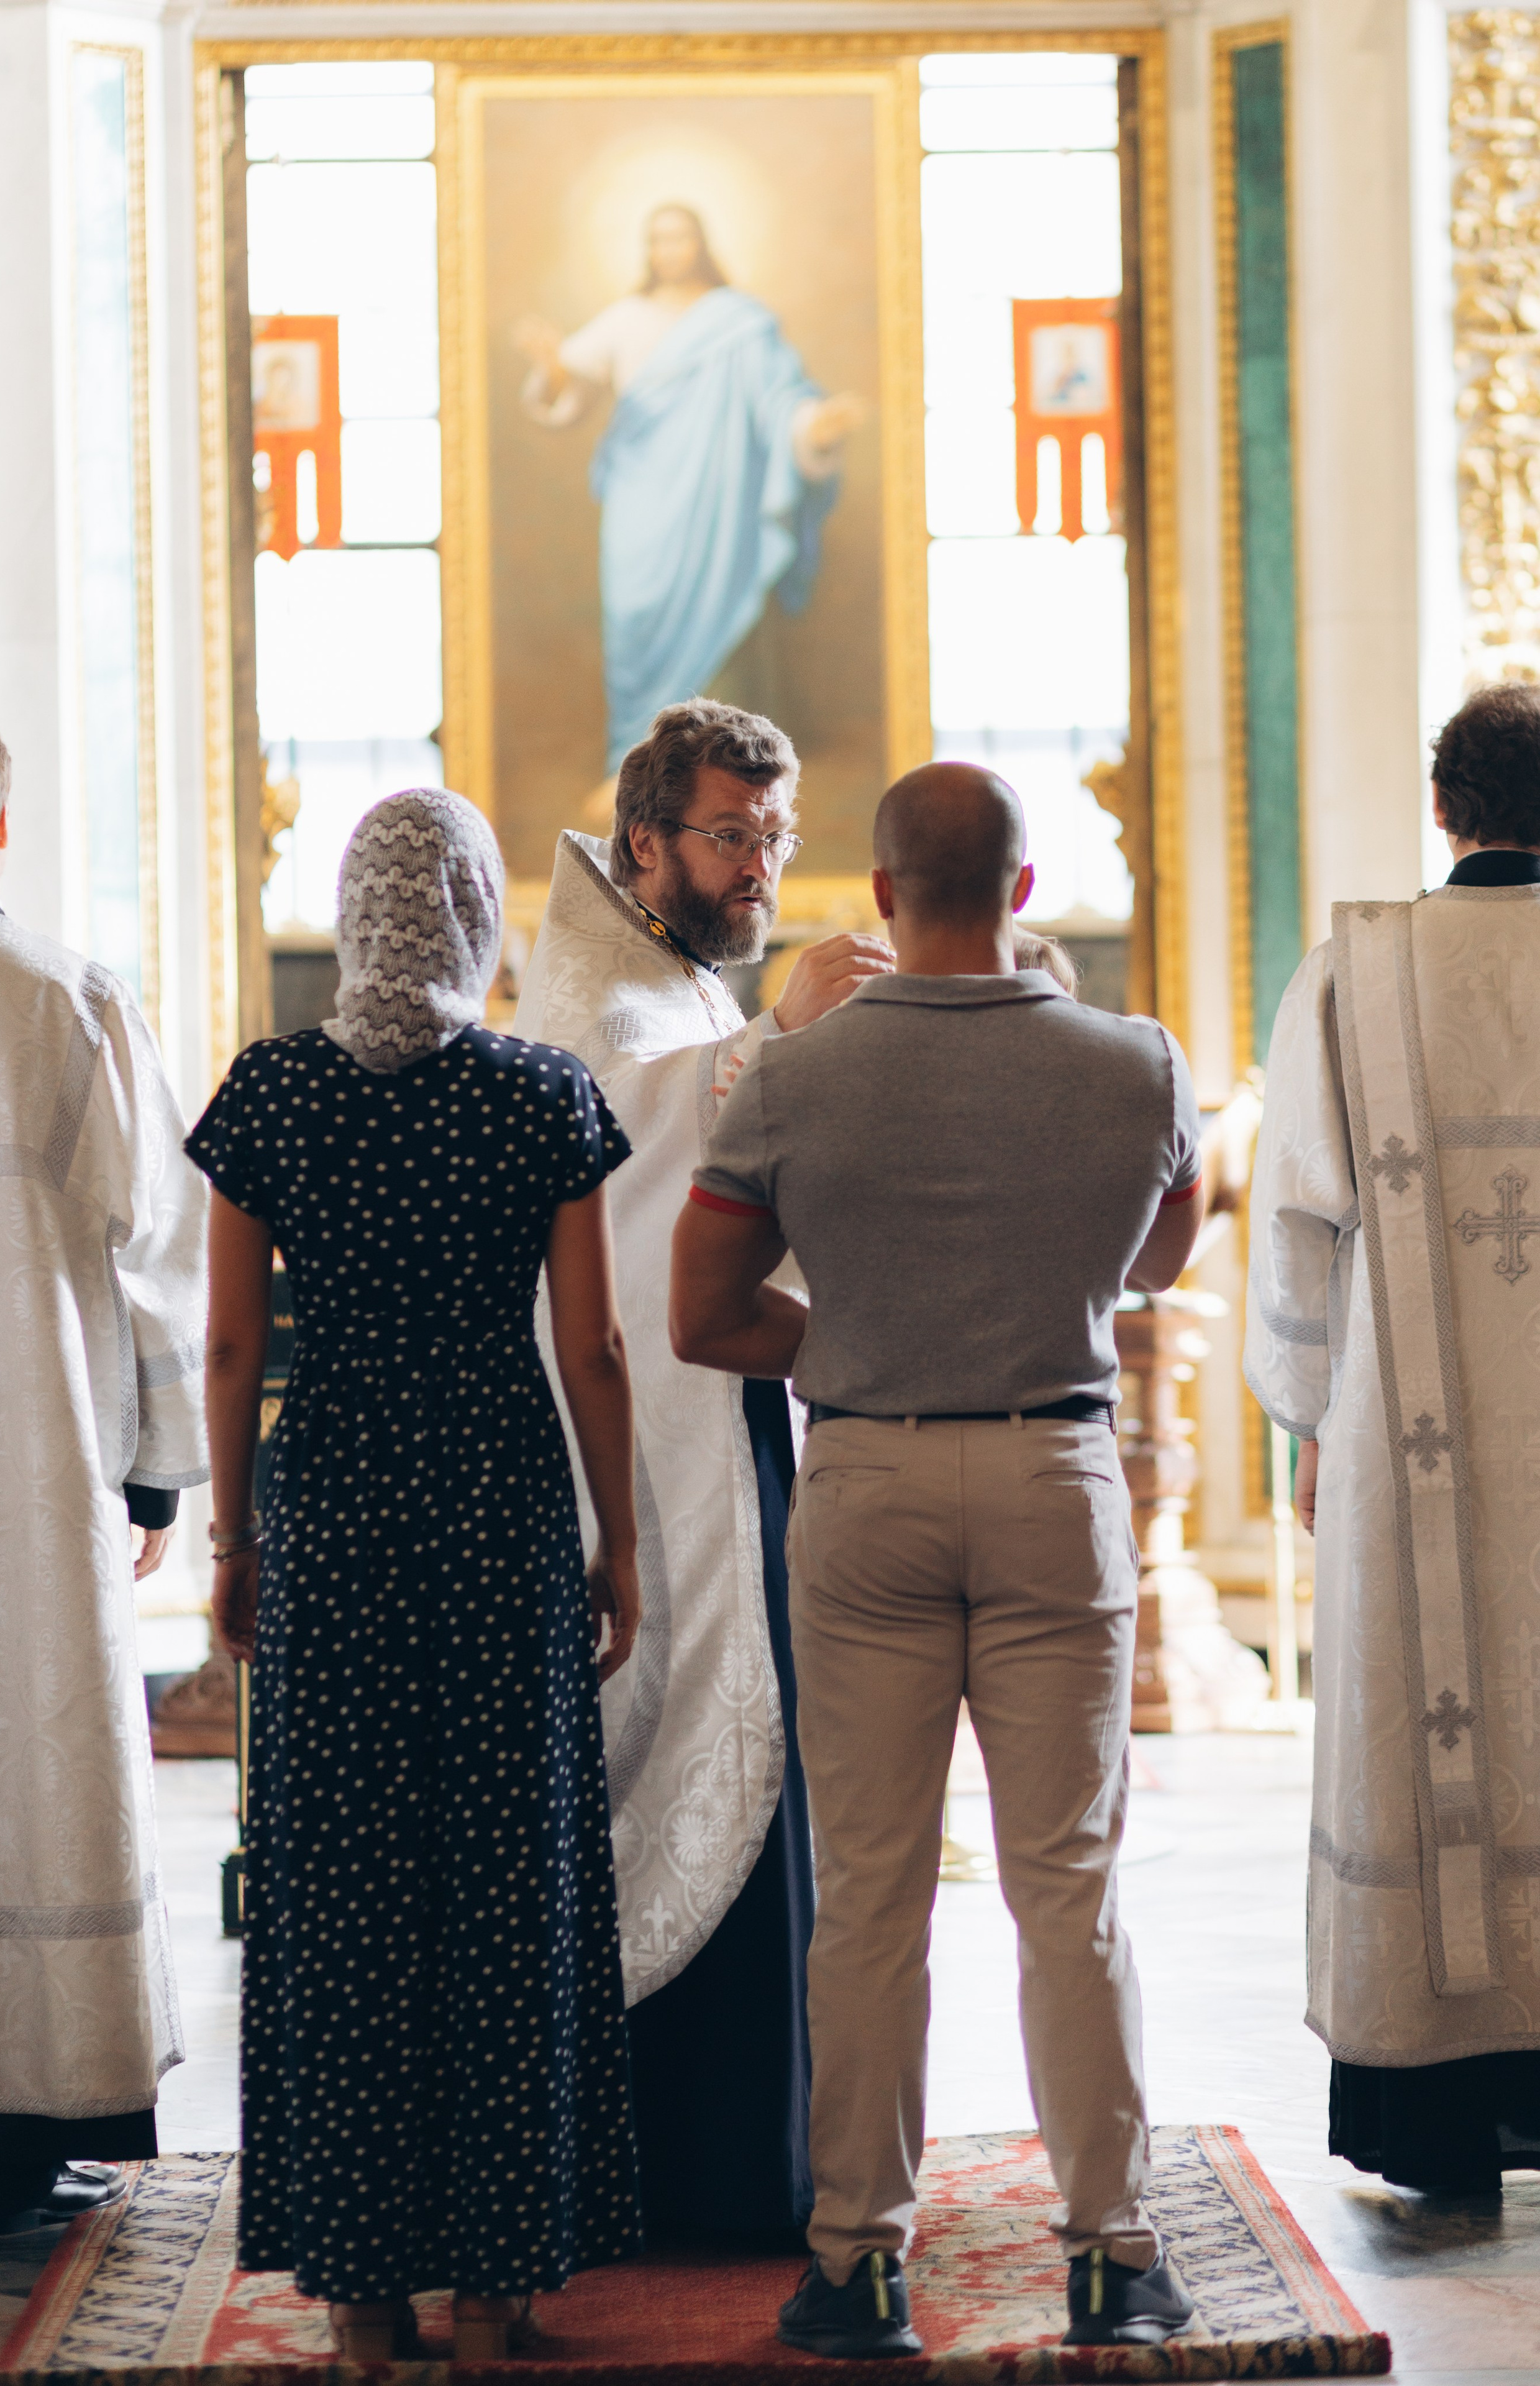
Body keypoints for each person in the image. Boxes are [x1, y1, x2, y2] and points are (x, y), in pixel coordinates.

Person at [670, 761, 1204, 2357]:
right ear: (1024, 893)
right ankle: (1109, 2247)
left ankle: (857, 2261)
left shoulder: (792, 1077)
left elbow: (701, 1313)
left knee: (871, 1897)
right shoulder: (1133, 1064)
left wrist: (859, 1336)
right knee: (1069, 1884)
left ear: (883, 899)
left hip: (868, 1481)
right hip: (1053, 1469)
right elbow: (1154, 1258)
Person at [188, 790, 642, 2358]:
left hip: (332, 1502)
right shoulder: (541, 1094)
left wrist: (237, 1536)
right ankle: (501, 2281)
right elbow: (587, 1342)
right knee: (505, 1875)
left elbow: (236, 1338)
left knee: (344, 1883)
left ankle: (366, 2299)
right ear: (471, 915)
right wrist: (619, 1538)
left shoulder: (270, 1093)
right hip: (496, 1500)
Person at [514, 697, 893, 2246]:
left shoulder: (671, 986)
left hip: (723, 1416)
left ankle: (754, 2152)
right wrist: (786, 1035)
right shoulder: (594, 1000)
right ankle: (678, 2164)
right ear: (645, 841)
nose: (757, 868)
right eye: (730, 836)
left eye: (775, 838)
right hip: (644, 1453)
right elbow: (636, 1138)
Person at [1246, 681, 1540, 2195]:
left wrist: (1307, 1415)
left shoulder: (1357, 972)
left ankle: (1437, 2116)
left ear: (1445, 809)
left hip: (1409, 1439)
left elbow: (1295, 1221)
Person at [0, 695, 208, 2234]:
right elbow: (160, 1255)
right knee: (28, 1769)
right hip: (34, 1470)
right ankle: (24, 2126)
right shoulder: (67, 995)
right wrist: (160, 1473)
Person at [516, 204, 863, 774]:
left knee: (718, 618)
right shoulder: (627, 317)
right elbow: (570, 388)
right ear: (647, 250)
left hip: (715, 506)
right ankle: (637, 764)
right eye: (658, 240)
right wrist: (552, 365)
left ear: (700, 244)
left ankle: (725, 778)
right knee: (633, 618)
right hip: (640, 494)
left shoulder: (740, 322)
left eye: (679, 238)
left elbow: (780, 403)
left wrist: (813, 426)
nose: (669, 250)